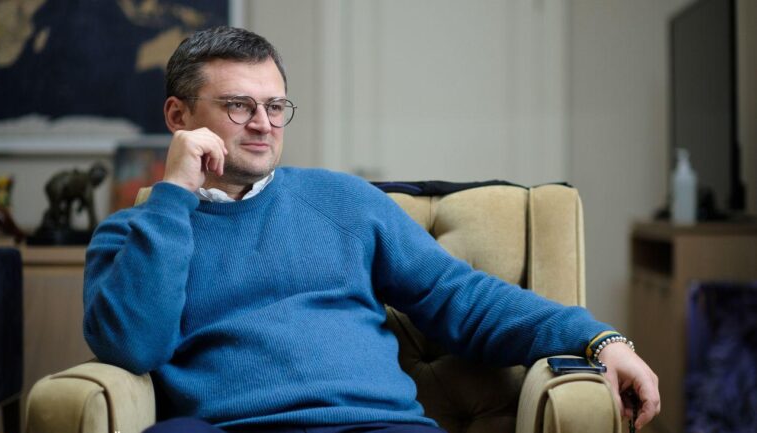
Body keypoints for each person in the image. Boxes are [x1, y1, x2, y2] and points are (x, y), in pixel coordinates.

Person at [83, 26, 660, 433]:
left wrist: (599, 338)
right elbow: (134, 346)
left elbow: (464, 298)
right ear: (179, 116)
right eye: (239, 106)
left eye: (275, 106)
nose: (263, 125)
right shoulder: (132, 235)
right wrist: (173, 196)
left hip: (374, 426)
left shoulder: (345, 201)